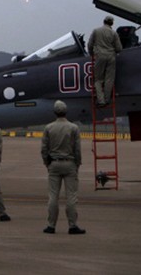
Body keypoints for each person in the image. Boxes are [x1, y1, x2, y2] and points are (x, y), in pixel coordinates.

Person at [40, 100, 84, 235]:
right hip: (69, 163)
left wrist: (47, 163)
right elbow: (77, 150)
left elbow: (44, 149)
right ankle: (72, 225)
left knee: (53, 196)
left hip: (54, 164)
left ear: (54, 112)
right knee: (71, 197)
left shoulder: (48, 128)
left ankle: (51, 226)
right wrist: (77, 164)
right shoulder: (73, 128)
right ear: (66, 112)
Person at [87, 15, 122, 106]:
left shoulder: (96, 31)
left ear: (104, 21)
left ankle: (101, 101)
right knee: (109, 80)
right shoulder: (114, 33)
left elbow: (90, 45)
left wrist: (92, 54)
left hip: (99, 57)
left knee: (98, 80)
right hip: (111, 58)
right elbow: (119, 49)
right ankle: (107, 100)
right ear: (112, 23)